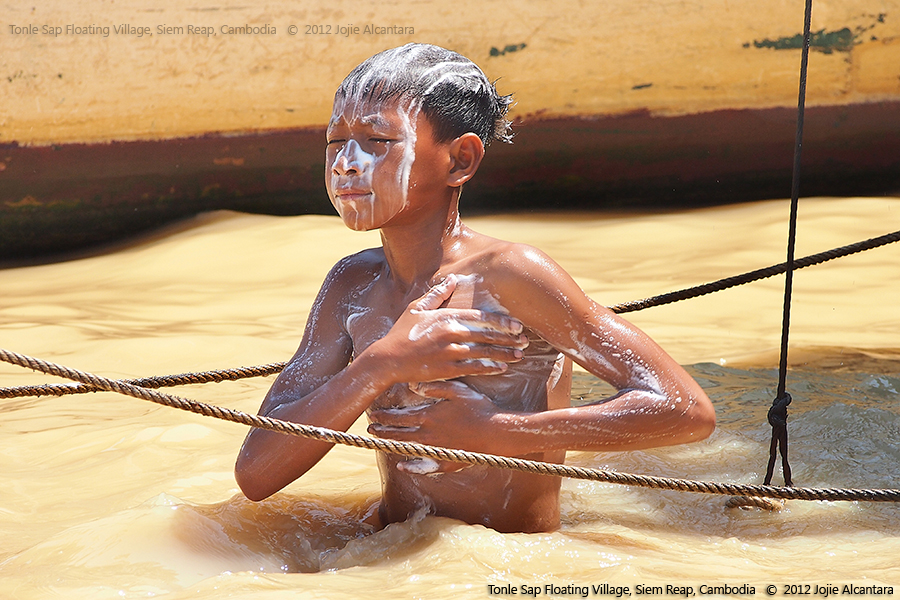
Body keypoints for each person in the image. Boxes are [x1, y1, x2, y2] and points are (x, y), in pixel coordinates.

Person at [234, 43, 715, 533]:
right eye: (336, 141)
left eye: (377, 139)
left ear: (459, 159)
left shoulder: (510, 274)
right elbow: (255, 475)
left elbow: (687, 411)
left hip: (507, 564)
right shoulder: (351, 285)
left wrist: (497, 434)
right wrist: (382, 364)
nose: (345, 164)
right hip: (387, 550)